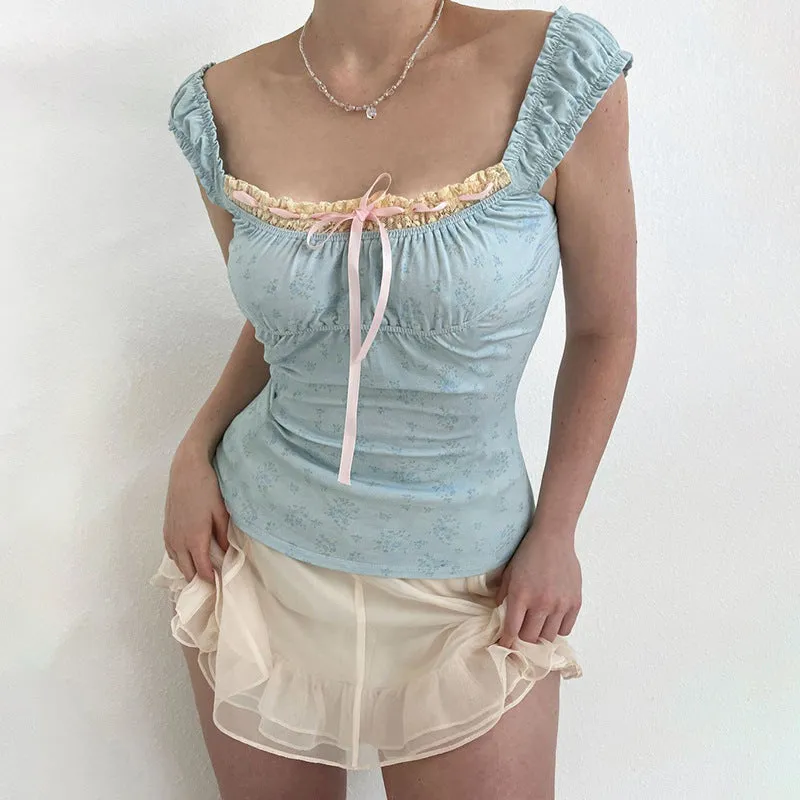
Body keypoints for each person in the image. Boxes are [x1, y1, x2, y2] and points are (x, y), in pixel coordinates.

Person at [149, 1, 636, 797]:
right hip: (259, 558)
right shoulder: (219, 103)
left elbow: (604, 331)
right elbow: (296, 325)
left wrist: (558, 529)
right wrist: (193, 448)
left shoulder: (555, 72)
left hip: (471, 586)